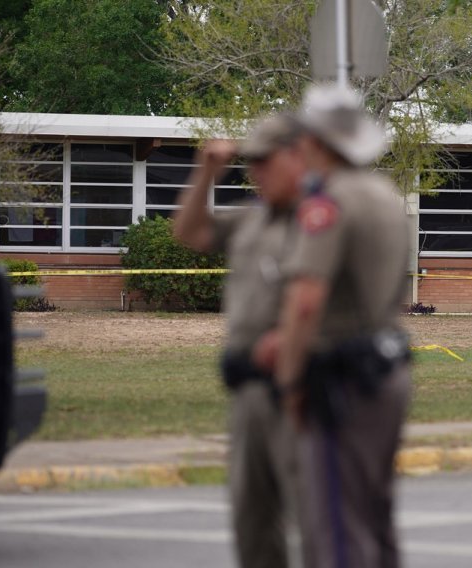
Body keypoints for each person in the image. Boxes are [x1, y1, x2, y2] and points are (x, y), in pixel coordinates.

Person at [261, 85, 412, 568]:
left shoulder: (329, 203)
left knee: (337, 529)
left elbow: (305, 301)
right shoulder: (387, 196)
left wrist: (288, 381)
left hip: (342, 379)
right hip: (387, 370)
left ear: (314, 142)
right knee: (375, 515)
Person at [172, 114, 305, 568]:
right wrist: (206, 172)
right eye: (252, 163)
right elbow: (189, 232)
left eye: (266, 162)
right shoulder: (252, 219)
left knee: (313, 517)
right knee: (252, 517)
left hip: (300, 389)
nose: (256, 173)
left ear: (298, 156)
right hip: (249, 388)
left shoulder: (322, 219)